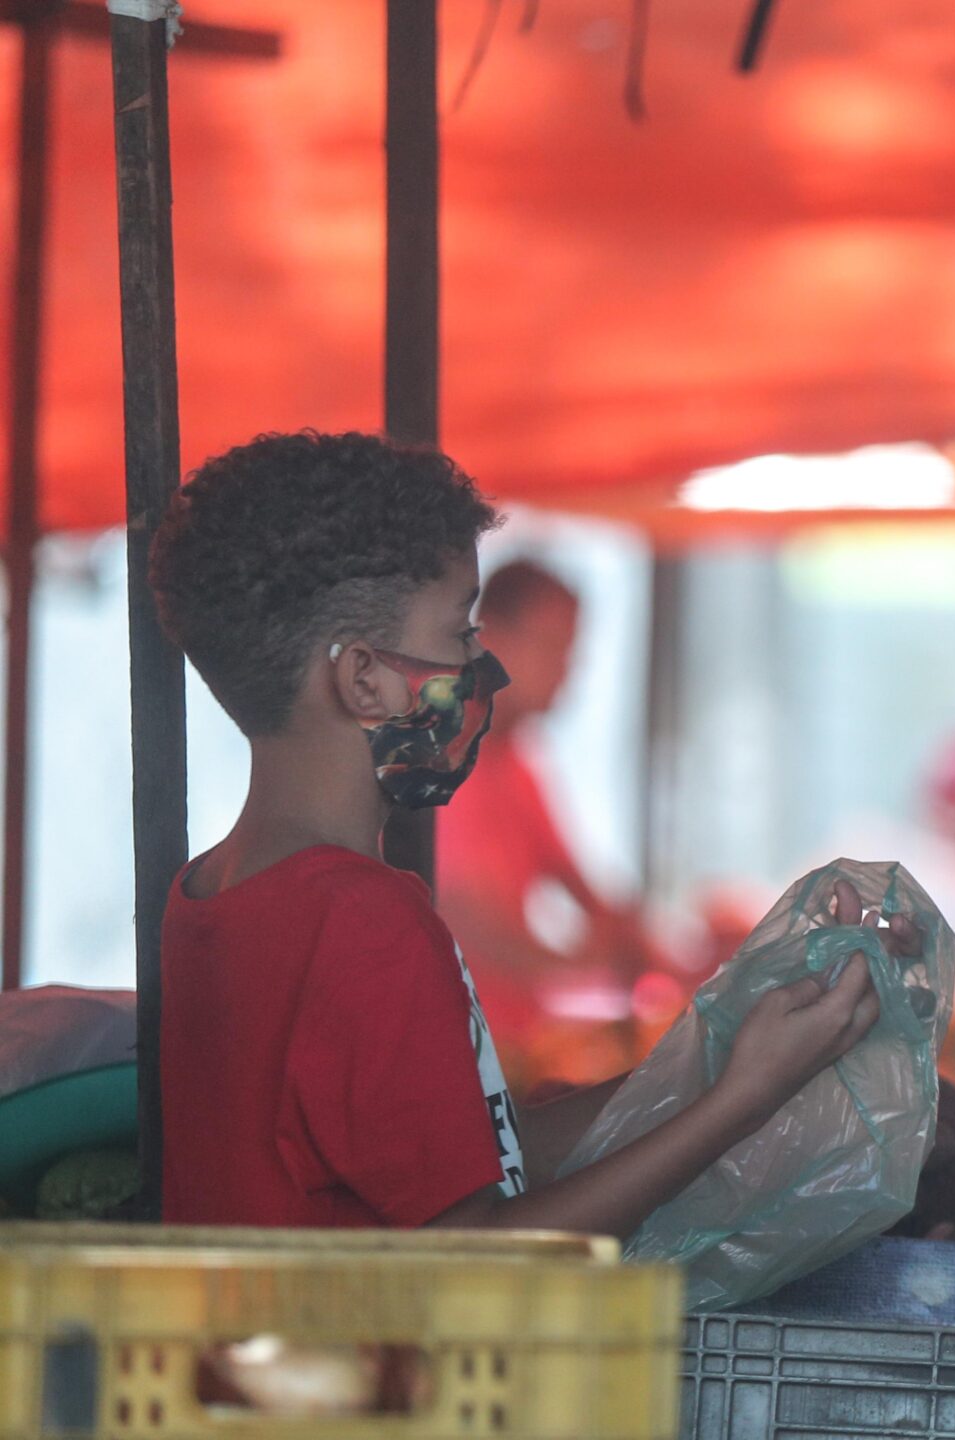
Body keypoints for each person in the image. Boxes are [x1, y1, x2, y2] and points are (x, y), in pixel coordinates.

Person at [148, 431, 902, 1231]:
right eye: (458, 635)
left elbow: (487, 1155)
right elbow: (479, 1257)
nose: (480, 669)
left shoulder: (208, 894)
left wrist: (723, 1048)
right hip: (377, 1361)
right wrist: (742, 1102)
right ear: (363, 679)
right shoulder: (364, 923)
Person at [438, 559, 657, 1091]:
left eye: (572, 652)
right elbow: (467, 922)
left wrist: (650, 949)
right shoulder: (439, 756)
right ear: (490, 638)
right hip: (460, 1057)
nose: (567, 670)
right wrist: (585, 963)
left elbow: (579, 884)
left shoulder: (516, 761)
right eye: (554, 647)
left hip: (518, 1046)